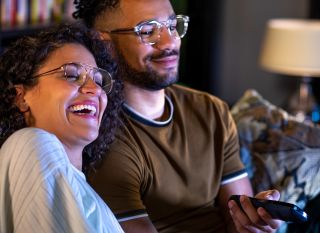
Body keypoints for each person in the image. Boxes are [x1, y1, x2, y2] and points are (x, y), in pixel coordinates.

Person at [73, 1, 282, 232]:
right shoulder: (103, 134)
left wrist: (256, 221)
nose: (169, 42)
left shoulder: (211, 110)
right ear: (105, 43)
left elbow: (239, 216)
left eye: (172, 26)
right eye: (148, 31)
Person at [0, 23, 125, 233]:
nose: (93, 89)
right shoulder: (32, 143)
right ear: (20, 97)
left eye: (98, 80)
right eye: (71, 75)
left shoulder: (83, 189)